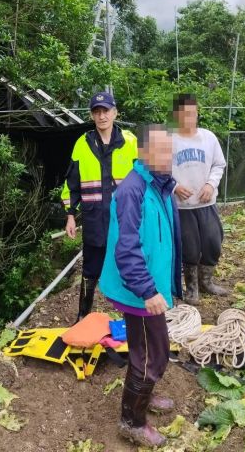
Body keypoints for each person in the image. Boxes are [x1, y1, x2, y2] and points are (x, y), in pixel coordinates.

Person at [98, 124, 182, 448]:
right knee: (152, 355)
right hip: (138, 290)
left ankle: (144, 397)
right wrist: (147, 291)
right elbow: (127, 248)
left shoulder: (158, 185)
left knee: (145, 349)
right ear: (142, 153)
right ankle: (131, 422)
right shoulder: (133, 191)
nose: (167, 156)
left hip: (146, 285)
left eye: (169, 149)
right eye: (159, 150)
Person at [61, 91, 138, 321]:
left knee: (128, 267)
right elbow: (72, 182)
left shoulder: (130, 141)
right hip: (94, 219)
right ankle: (83, 316)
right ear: (92, 116)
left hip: (125, 219)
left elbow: (144, 179)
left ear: (115, 113)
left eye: (106, 111)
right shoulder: (83, 144)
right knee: (90, 271)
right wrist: (70, 215)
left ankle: (130, 318)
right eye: (97, 112)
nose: (102, 116)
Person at [171, 94, 228, 305]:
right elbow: (158, 170)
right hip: (182, 206)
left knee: (213, 242)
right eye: (184, 113)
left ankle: (207, 282)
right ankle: (192, 288)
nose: (189, 117)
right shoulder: (169, 140)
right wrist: (175, 186)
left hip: (207, 203)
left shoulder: (208, 137)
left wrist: (210, 184)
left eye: (192, 112)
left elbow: (219, 165)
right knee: (190, 248)